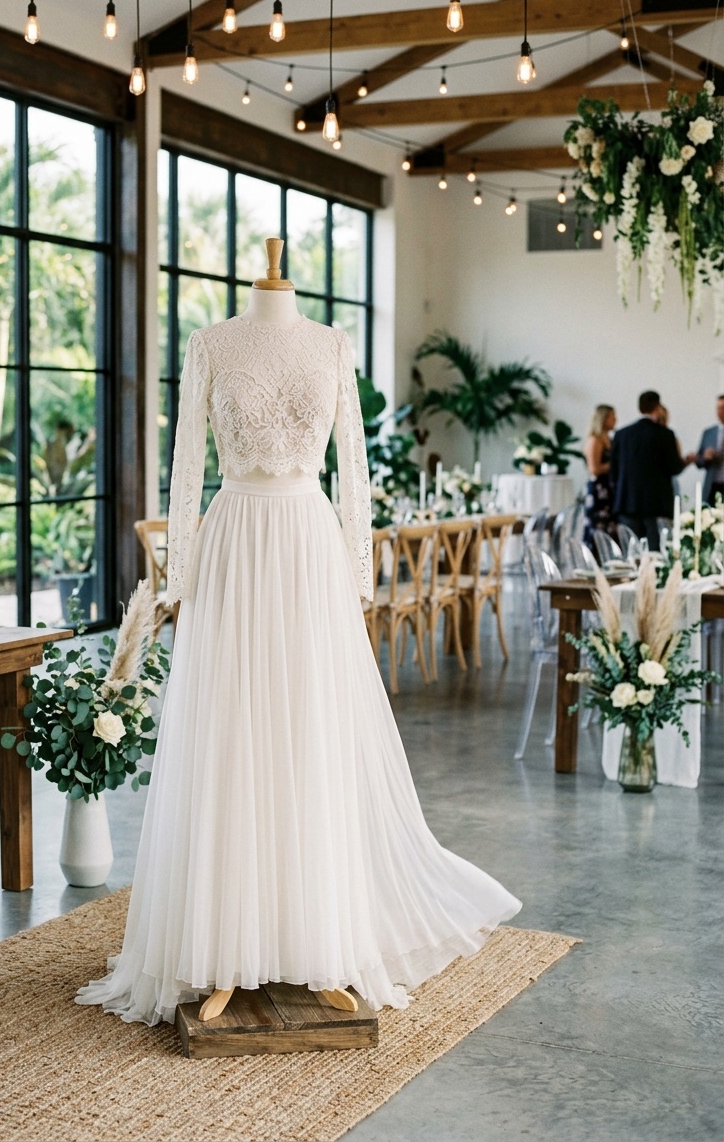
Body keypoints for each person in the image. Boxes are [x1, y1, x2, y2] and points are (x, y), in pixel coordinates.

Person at [76, 247, 520, 1028]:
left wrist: (356, 571)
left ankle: (312, 932)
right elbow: (184, 466)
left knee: (309, 732)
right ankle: (223, 944)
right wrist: (180, 574)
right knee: (234, 737)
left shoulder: (331, 345)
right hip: (236, 542)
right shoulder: (212, 343)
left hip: (307, 547)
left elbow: (355, 467)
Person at [610, 390, 692, 552]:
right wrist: (687, 461)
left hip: (628, 501)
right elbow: (674, 467)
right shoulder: (665, 435)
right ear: (658, 407)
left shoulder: (622, 435)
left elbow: (614, 471)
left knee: (630, 552)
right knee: (656, 553)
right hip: (657, 505)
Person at [583, 404, 616, 550]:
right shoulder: (594, 440)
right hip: (599, 490)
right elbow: (593, 469)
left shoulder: (608, 439)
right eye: (612, 417)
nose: (615, 420)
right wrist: (615, 464)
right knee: (598, 527)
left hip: (609, 488)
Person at [692, 396, 724, 505]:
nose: (721, 411)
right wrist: (706, 458)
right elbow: (699, 461)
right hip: (713, 485)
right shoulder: (708, 433)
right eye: (718, 408)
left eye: (723, 408)